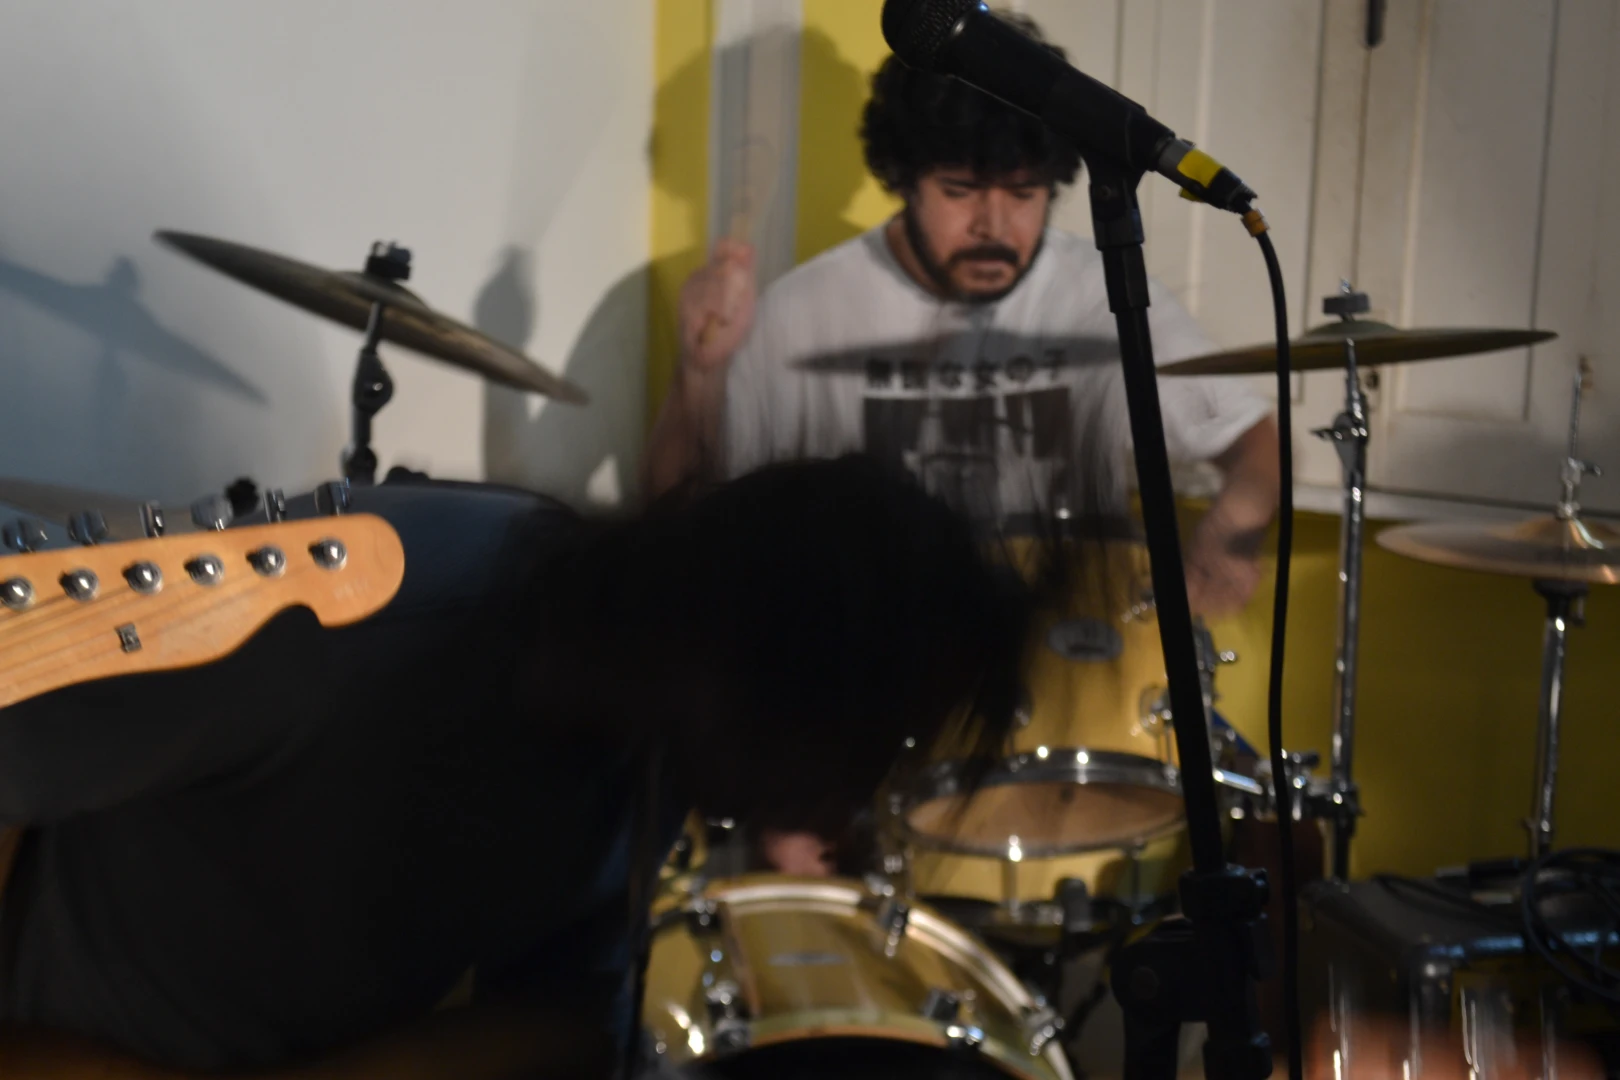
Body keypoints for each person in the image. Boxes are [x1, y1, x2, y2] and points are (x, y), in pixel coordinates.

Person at [0, 458, 1026, 1078]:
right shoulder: (362, 618)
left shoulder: (651, 735)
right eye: (868, 743)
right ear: (774, 674)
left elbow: (556, 1019)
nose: (855, 801)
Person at [643, 9, 1279, 874]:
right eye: (960, 191)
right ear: (904, 180)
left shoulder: (1106, 293)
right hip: (881, 691)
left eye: (1023, 194)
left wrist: (1234, 528)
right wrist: (697, 377)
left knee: (1278, 832)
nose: (995, 226)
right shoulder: (805, 312)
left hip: (1073, 678)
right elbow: (671, 516)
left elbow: (1254, 445)